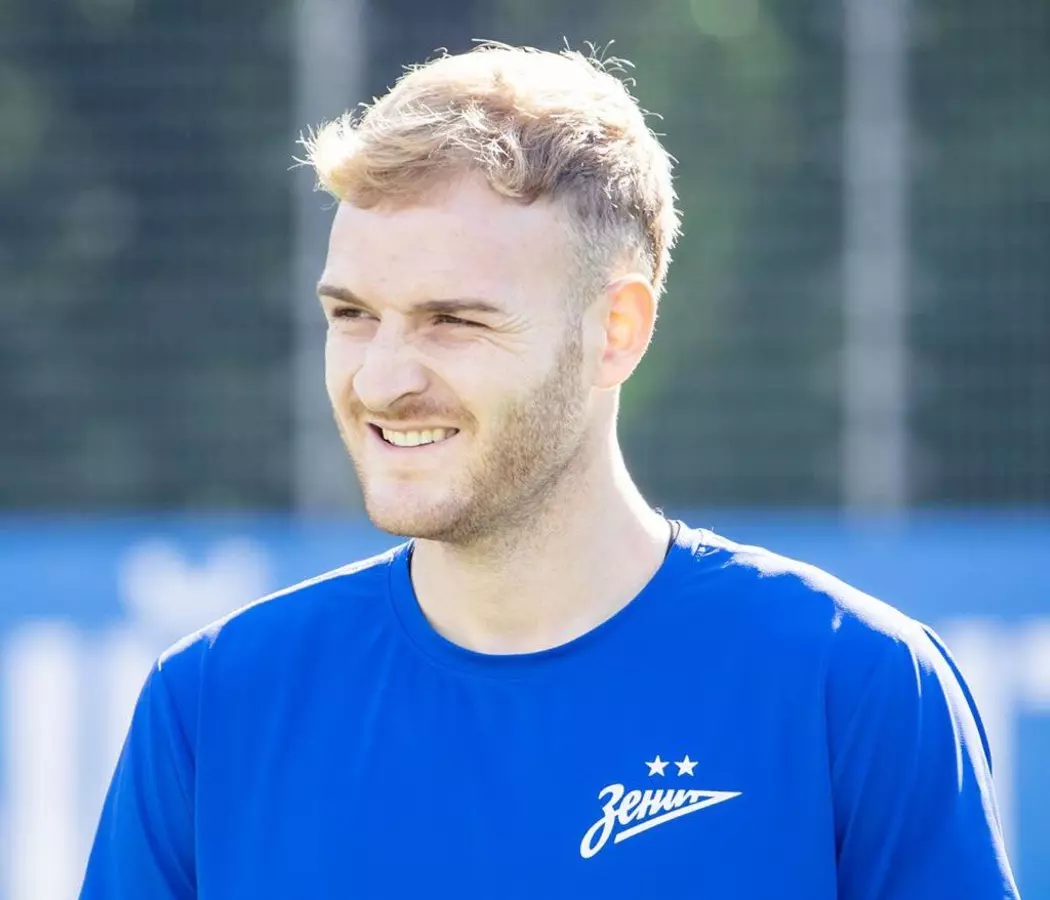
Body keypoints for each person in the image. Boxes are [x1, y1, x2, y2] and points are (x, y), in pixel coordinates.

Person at [80, 44, 1019, 899]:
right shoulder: (214, 705)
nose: (382, 379)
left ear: (616, 330)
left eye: (455, 320)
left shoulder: (854, 687)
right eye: (353, 315)